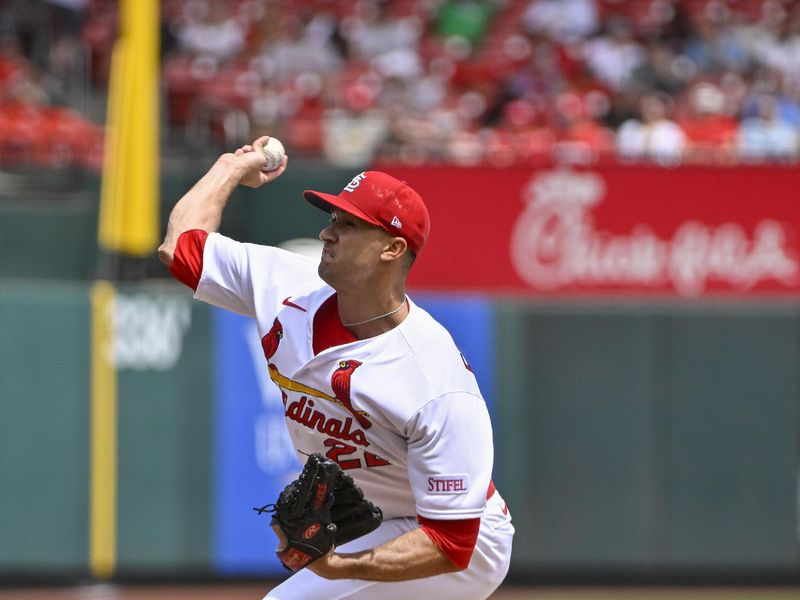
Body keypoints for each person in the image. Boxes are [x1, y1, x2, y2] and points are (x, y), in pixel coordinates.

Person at [158, 136, 514, 599]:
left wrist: (336, 565)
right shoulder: (286, 285)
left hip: (460, 540)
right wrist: (231, 166)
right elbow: (181, 248)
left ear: (391, 249)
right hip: (386, 519)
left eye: (349, 225)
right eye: (332, 219)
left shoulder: (434, 380)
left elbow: (452, 543)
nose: (328, 233)